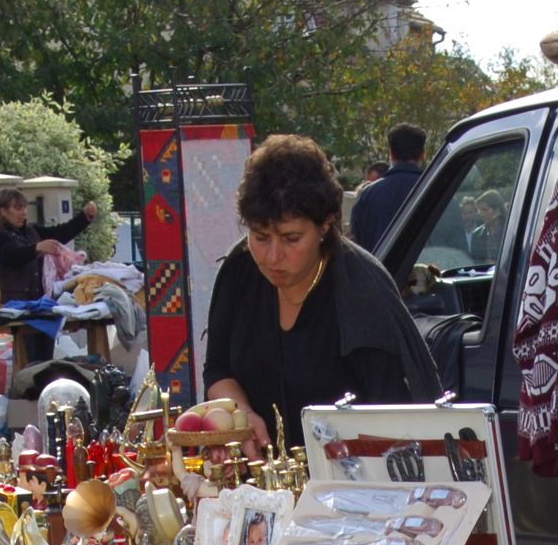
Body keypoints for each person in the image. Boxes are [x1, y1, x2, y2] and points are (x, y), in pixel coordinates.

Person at [178, 134, 439, 456]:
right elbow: (217, 369)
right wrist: (240, 413)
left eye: (291, 238)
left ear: (326, 226)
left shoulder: (362, 293)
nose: (273, 257)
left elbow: (396, 420)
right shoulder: (239, 270)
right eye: (260, 236)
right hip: (256, 486)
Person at [0, 185, 91, 305]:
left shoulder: (32, 231)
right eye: (17, 208)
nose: (24, 212)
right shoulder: (0, 237)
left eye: (24, 207)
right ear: (3, 212)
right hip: (15, 305)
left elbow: (59, 234)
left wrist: (84, 217)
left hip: (39, 302)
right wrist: (36, 248)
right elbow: (11, 256)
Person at [348, 122, 429, 249]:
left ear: (391, 154)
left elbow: (356, 245)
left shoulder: (368, 195)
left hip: (376, 267)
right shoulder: (438, 190)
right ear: (423, 154)